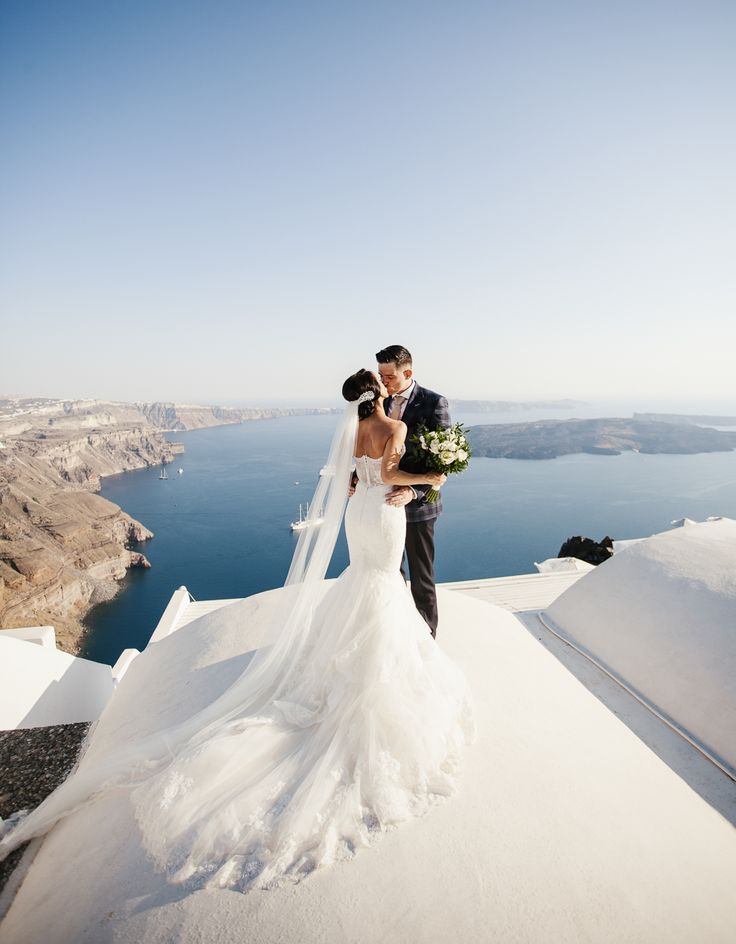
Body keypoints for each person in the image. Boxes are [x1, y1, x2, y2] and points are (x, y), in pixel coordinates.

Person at [0, 370, 475, 893]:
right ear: (381, 392)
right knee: (384, 584)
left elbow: (354, 480)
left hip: (358, 519)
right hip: (386, 515)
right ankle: (373, 675)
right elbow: (390, 475)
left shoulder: (351, 432)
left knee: (363, 580)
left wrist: (389, 481)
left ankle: (344, 662)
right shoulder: (395, 429)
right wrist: (433, 478)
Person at [376, 344, 451, 639]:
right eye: (381, 376)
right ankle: (396, 637)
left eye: (389, 377)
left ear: (407, 372)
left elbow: (444, 462)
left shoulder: (434, 403)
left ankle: (426, 640)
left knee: (422, 579)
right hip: (383, 504)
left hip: (419, 507)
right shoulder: (379, 402)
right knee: (391, 574)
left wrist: (414, 490)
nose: (384, 383)